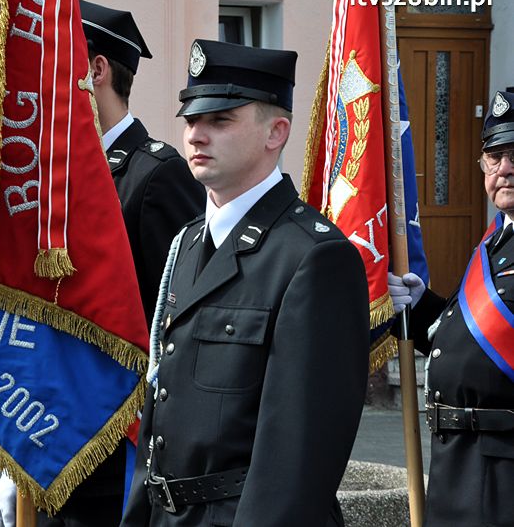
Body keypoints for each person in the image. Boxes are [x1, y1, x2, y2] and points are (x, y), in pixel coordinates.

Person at [120, 39, 370, 526]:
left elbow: (297, 456)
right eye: (191, 120)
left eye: (220, 120)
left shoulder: (314, 257)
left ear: (276, 132)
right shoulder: (187, 243)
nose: (195, 136)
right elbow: (159, 408)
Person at [0, 0, 203, 527]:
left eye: (56, 67)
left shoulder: (153, 175)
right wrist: (14, 461)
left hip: (118, 451)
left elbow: (177, 324)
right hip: (47, 437)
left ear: (96, 70)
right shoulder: (57, 183)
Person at [389, 89, 514, 526]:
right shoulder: (495, 241)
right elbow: (471, 342)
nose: (505, 169)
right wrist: (420, 307)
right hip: (460, 463)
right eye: (494, 156)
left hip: (502, 471)